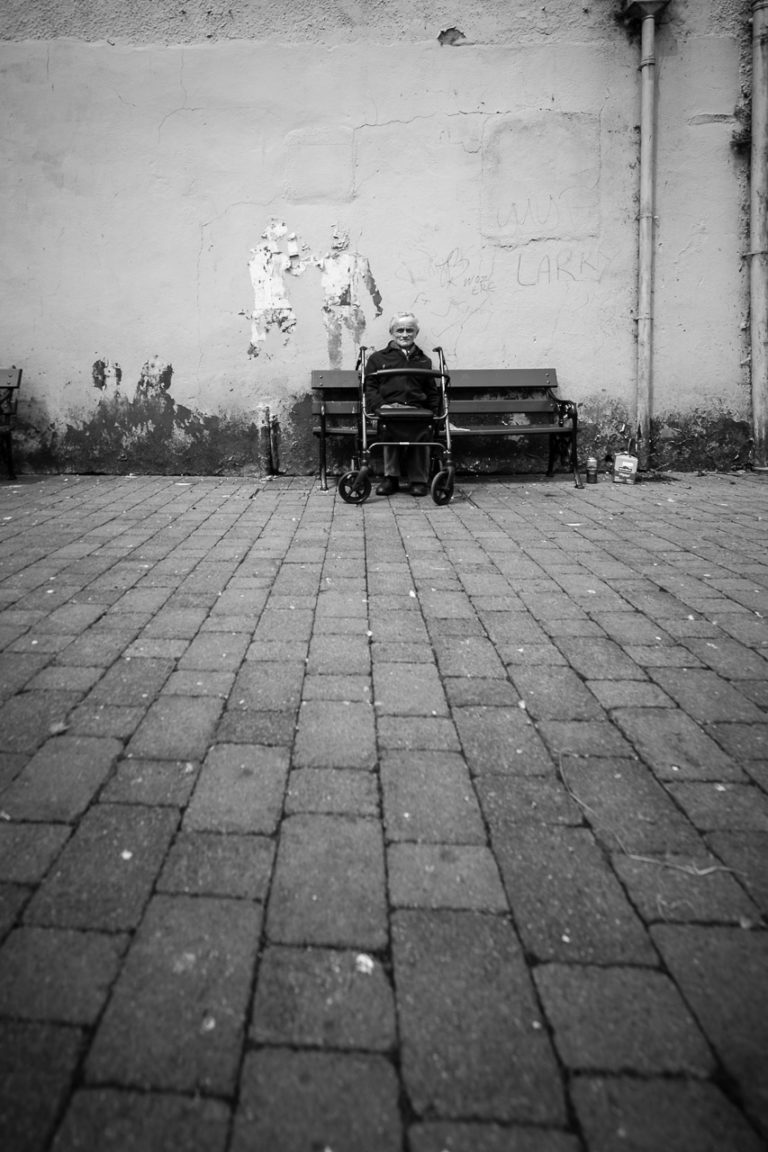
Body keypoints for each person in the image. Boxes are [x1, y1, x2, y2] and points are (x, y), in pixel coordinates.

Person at [364, 313, 440, 496]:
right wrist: (381, 407)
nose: (404, 334)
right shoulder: (377, 359)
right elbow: (370, 388)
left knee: (422, 430)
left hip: (416, 409)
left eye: (409, 330)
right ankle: (390, 478)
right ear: (392, 332)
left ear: (416, 332)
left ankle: (418, 480)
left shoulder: (423, 360)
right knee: (390, 427)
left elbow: (431, 391)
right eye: (400, 330)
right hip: (388, 409)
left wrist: (436, 414)